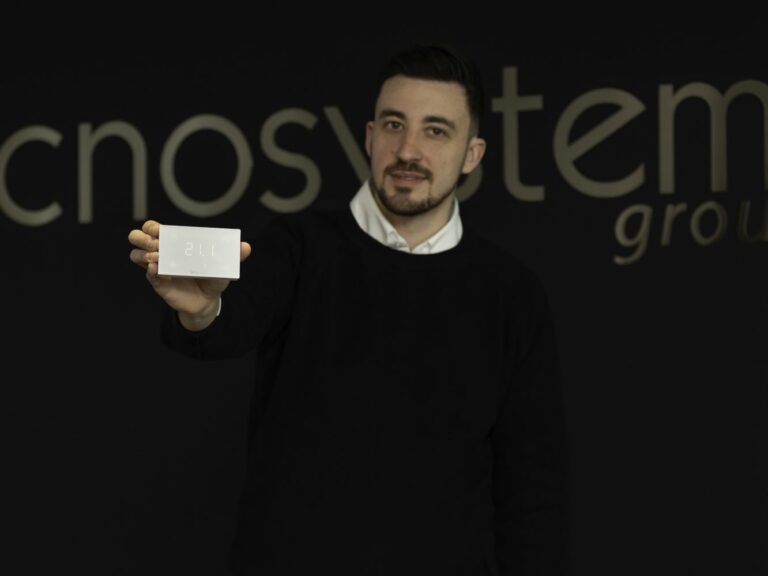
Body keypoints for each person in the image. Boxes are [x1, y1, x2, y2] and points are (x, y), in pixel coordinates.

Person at [128, 43, 569, 575]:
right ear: (369, 136)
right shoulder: (299, 246)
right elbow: (234, 317)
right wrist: (204, 311)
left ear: (472, 154)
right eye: (394, 125)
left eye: (435, 131)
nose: (408, 150)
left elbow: (533, 494)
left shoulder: (510, 294)